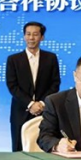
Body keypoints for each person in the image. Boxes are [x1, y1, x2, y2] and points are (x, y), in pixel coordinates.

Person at [6, 21, 61, 151]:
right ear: (24, 36)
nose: (31, 38)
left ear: (42, 37)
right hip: (21, 111)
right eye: (28, 34)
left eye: (35, 34)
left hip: (45, 111)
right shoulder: (13, 59)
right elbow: (12, 85)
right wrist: (30, 104)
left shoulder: (51, 58)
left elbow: (55, 84)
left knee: (44, 148)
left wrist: (41, 103)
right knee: (18, 149)